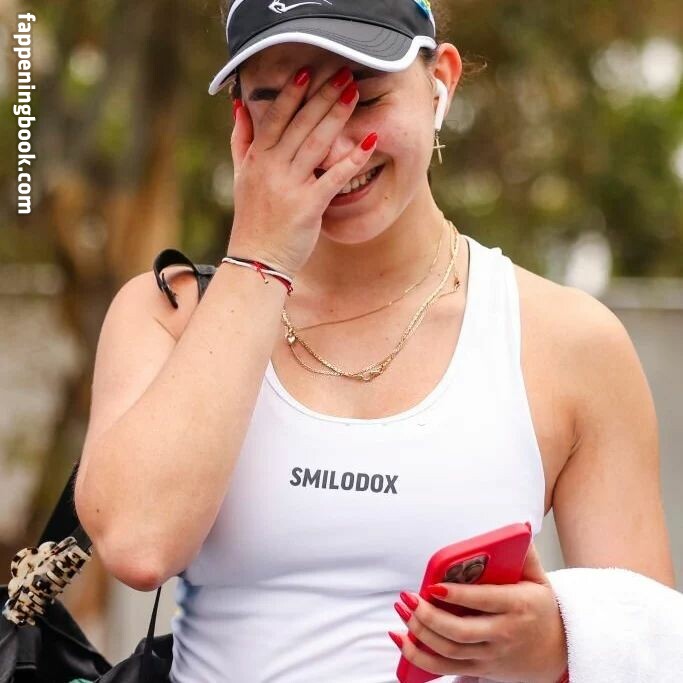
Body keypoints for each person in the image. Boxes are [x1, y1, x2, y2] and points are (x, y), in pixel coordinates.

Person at [73, 0, 676, 681]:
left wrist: (555, 644)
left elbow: (649, 650)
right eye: (279, 104)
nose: (330, 148)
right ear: (240, 119)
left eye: (361, 97)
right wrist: (261, 259)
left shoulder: (568, 342)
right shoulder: (170, 313)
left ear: (440, 82)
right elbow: (138, 545)